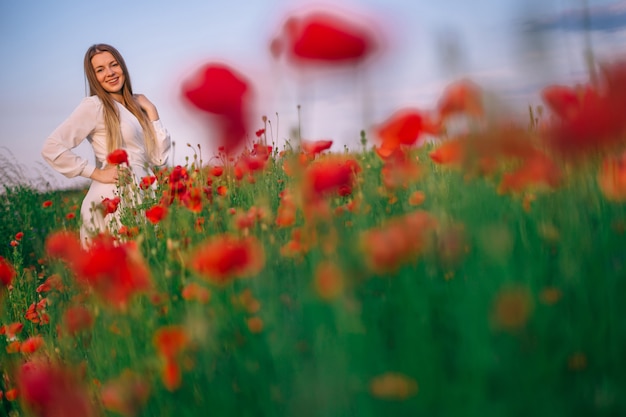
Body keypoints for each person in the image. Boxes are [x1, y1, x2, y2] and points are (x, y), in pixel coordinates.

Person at [42, 44, 171, 246]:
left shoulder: (137, 109)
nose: (110, 73)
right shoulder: (94, 106)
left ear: (123, 67)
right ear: (93, 77)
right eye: (100, 70)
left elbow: (159, 158)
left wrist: (152, 111)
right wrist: (97, 173)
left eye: (114, 65)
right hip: (113, 196)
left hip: (144, 192)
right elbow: (52, 147)